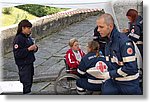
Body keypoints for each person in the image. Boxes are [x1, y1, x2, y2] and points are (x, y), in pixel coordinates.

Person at [96, 13, 141, 95]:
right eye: (98, 27)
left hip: (128, 85)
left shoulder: (124, 42)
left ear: (110, 26)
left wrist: (109, 74)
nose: (98, 30)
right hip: (114, 82)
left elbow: (130, 68)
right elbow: (111, 63)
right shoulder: (108, 42)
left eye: (101, 27)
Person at [13, 19, 38, 94]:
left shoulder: (28, 37)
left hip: (29, 62)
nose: (30, 30)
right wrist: (28, 49)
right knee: (25, 82)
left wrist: (35, 48)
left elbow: (32, 47)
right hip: (23, 64)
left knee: (30, 80)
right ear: (23, 28)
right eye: (28, 28)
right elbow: (17, 54)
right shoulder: (18, 39)